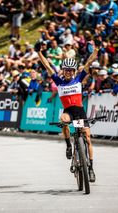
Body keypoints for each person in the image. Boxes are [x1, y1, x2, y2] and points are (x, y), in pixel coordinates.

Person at [38, 47, 99, 182]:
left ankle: (91, 169)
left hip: (79, 112)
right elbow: (47, 66)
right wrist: (39, 53)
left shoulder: (78, 79)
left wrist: (96, 50)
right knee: (63, 120)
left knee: (88, 138)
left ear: (74, 71)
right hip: (68, 112)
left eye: (71, 70)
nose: (69, 72)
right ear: (63, 70)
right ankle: (68, 145)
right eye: (66, 70)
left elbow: (89, 63)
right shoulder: (58, 81)